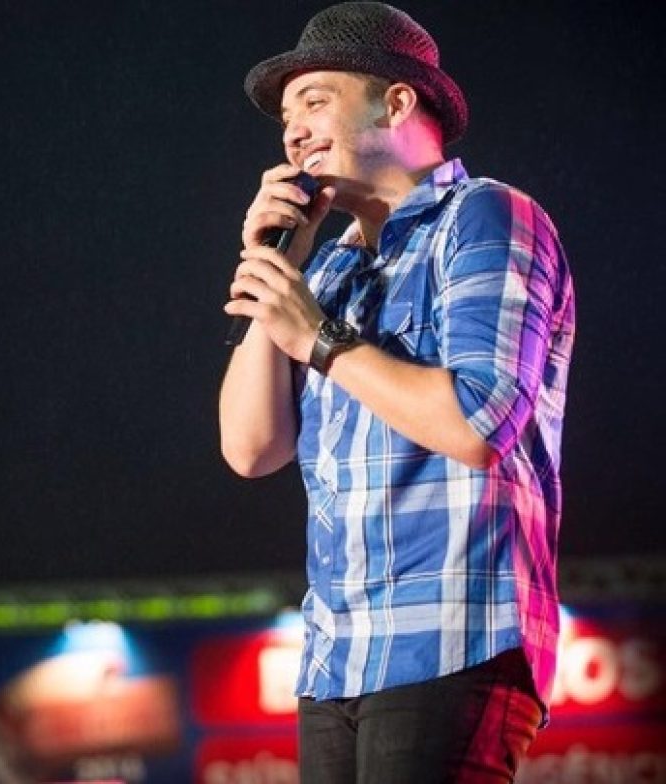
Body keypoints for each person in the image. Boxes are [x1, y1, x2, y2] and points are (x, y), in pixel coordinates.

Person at [218, 3, 574, 781]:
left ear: (397, 102)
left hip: (456, 636)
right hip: (336, 657)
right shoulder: (330, 270)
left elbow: (478, 422)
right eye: (286, 118)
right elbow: (251, 448)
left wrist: (320, 339)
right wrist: (280, 270)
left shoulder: (486, 217)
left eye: (314, 102)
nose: (294, 133)